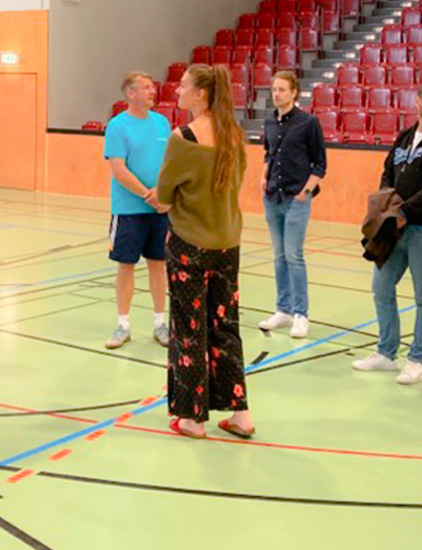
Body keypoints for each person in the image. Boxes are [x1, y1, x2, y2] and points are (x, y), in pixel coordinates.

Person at [156, 64, 253, 440]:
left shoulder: (183, 138)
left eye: (183, 86)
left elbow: (165, 196)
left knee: (189, 329)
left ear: (200, 94)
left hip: (190, 245)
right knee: (226, 327)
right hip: (227, 244)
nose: (177, 91)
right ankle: (240, 414)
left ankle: (193, 418)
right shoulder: (234, 136)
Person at [352, 81, 422, 386]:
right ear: (418, 102)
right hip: (395, 229)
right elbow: (387, 171)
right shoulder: (404, 138)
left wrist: (404, 212)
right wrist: (388, 203)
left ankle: (416, 360)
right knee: (381, 287)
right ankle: (386, 353)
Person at [102, 72, 172, 349]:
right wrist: (147, 195)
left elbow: (170, 163)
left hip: (160, 210)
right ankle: (123, 325)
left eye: (153, 87)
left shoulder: (162, 123)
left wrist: (163, 193)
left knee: (158, 264)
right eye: (146, 87)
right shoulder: (117, 126)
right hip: (128, 209)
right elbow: (119, 169)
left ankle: (160, 323)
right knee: (126, 265)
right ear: (131, 93)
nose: (152, 91)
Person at [257, 71, 327, 339]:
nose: (277, 94)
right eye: (274, 89)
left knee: (293, 256)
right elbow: (268, 153)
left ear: (294, 92)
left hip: (296, 198)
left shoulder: (308, 123)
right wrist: (263, 175)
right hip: (272, 197)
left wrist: (305, 192)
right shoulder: (269, 122)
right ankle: (283, 309)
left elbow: (320, 164)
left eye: (282, 90)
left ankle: (300, 313)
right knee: (279, 256)